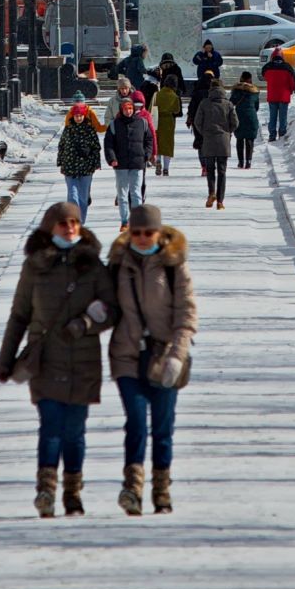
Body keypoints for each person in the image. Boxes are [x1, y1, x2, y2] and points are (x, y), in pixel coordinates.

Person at [0, 201, 117, 517]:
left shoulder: (92, 265)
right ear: (51, 228)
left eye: (75, 222)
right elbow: (19, 315)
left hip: (83, 360)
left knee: (75, 432)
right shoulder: (34, 266)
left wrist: (86, 324)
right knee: (50, 427)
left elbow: (111, 308)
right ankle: (46, 491)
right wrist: (5, 360)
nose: (70, 228)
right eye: (64, 223)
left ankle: (73, 492)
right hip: (45, 359)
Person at [108, 203, 198, 515]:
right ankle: (132, 486)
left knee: (162, 427)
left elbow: (186, 316)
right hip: (127, 355)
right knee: (135, 421)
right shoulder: (118, 265)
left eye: (149, 233)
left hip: (163, 356)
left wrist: (177, 355)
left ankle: (161, 488)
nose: (143, 238)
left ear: (158, 234)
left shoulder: (174, 266)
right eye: (137, 233)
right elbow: (105, 306)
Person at [103, 92, 152, 223]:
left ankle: (137, 221)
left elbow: (149, 140)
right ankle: (124, 220)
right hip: (120, 164)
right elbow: (108, 144)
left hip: (137, 163)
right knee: (122, 194)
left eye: (130, 108)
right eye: (125, 108)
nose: (128, 111)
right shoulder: (114, 125)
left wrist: (147, 154)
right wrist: (111, 159)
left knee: (136, 193)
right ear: (121, 109)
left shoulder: (142, 123)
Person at [192, 74, 238, 208]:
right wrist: (227, 131)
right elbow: (235, 122)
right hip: (223, 140)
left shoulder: (204, 103)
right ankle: (220, 201)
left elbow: (197, 121)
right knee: (222, 171)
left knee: (210, 169)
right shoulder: (228, 104)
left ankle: (211, 192)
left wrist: (204, 133)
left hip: (209, 140)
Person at [57, 98, 103, 217]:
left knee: (83, 197)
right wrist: (60, 162)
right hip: (70, 167)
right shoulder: (68, 129)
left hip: (86, 168)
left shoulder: (89, 130)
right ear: (73, 116)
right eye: (76, 116)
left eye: (80, 115)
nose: (78, 118)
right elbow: (61, 145)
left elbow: (96, 147)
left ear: (84, 116)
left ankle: (80, 220)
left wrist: (95, 163)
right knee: (72, 195)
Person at [153, 63, 183, 176]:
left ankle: (158, 161)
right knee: (168, 145)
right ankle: (166, 168)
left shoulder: (157, 94)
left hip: (157, 121)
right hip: (169, 121)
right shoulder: (174, 96)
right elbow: (176, 110)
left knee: (158, 143)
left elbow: (153, 107)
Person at [262, 46, 295, 140]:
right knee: (283, 116)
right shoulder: (287, 68)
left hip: (272, 95)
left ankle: (272, 135)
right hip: (284, 96)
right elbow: (292, 82)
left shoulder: (268, 67)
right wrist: (291, 89)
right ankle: (282, 133)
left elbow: (265, 76)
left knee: (272, 116)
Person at [231, 70, 260, 169]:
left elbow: (232, 103)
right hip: (251, 116)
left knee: (239, 139)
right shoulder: (255, 91)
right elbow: (256, 106)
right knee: (249, 140)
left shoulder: (236, 90)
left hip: (239, 115)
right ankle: (248, 161)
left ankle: (240, 162)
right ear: (250, 79)